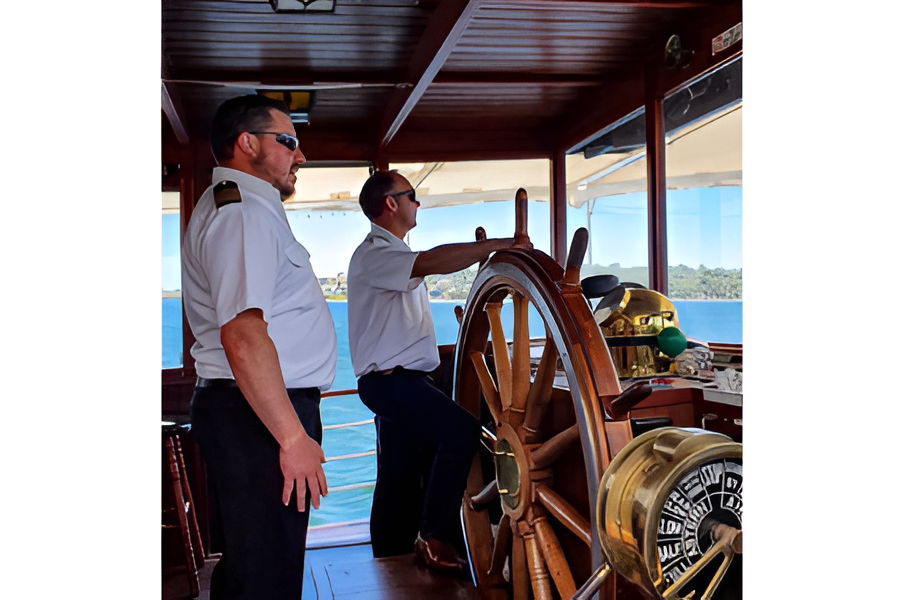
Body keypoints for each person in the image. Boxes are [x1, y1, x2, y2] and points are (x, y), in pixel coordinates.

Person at [181, 94, 337, 599]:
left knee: (257, 563)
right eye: (288, 142)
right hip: (261, 416)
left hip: (254, 410)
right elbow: (243, 333)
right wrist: (292, 439)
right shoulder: (241, 210)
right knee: (267, 573)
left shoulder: (244, 206)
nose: (300, 156)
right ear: (247, 143)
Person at [347, 170, 530, 573]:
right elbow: (432, 261)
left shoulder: (391, 255)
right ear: (390, 203)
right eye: (411, 195)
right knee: (460, 431)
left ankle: (391, 558)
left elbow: (426, 265)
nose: (418, 203)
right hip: (391, 382)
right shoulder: (377, 253)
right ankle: (436, 536)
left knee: (398, 472)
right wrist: (506, 245)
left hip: (403, 381)